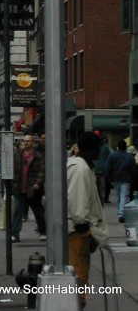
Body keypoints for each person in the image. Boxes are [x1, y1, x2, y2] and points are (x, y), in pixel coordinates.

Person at [67, 131, 109, 308]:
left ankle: (76, 303)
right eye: (98, 147)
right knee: (78, 276)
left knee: (78, 276)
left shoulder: (80, 165)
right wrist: (83, 228)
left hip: (76, 229)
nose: (99, 151)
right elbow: (78, 199)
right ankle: (77, 304)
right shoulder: (81, 168)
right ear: (93, 149)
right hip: (77, 231)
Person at [11, 134, 46, 242]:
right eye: (24, 141)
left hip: (33, 189)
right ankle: (15, 234)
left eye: (28, 141)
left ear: (32, 142)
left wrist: (38, 183)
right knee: (17, 212)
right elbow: (13, 171)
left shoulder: (38, 156)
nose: (26, 143)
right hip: (20, 189)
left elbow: (42, 171)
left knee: (38, 211)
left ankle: (43, 231)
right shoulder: (17, 155)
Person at [106, 139, 137, 222]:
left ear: (118, 147)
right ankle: (121, 213)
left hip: (115, 178)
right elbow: (133, 169)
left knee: (118, 196)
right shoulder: (129, 157)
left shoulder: (112, 155)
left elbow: (108, 167)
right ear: (125, 147)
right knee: (124, 196)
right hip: (126, 179)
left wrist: (109, 176)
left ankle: (119, 212)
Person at [93, 136, 111, 204]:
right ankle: (101, 199)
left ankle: (99, 199)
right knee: (101, 186)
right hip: (101, 169)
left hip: (98, 169)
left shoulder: (103, 147)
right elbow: (108, 157)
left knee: (98, 186)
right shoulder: (105, 147)